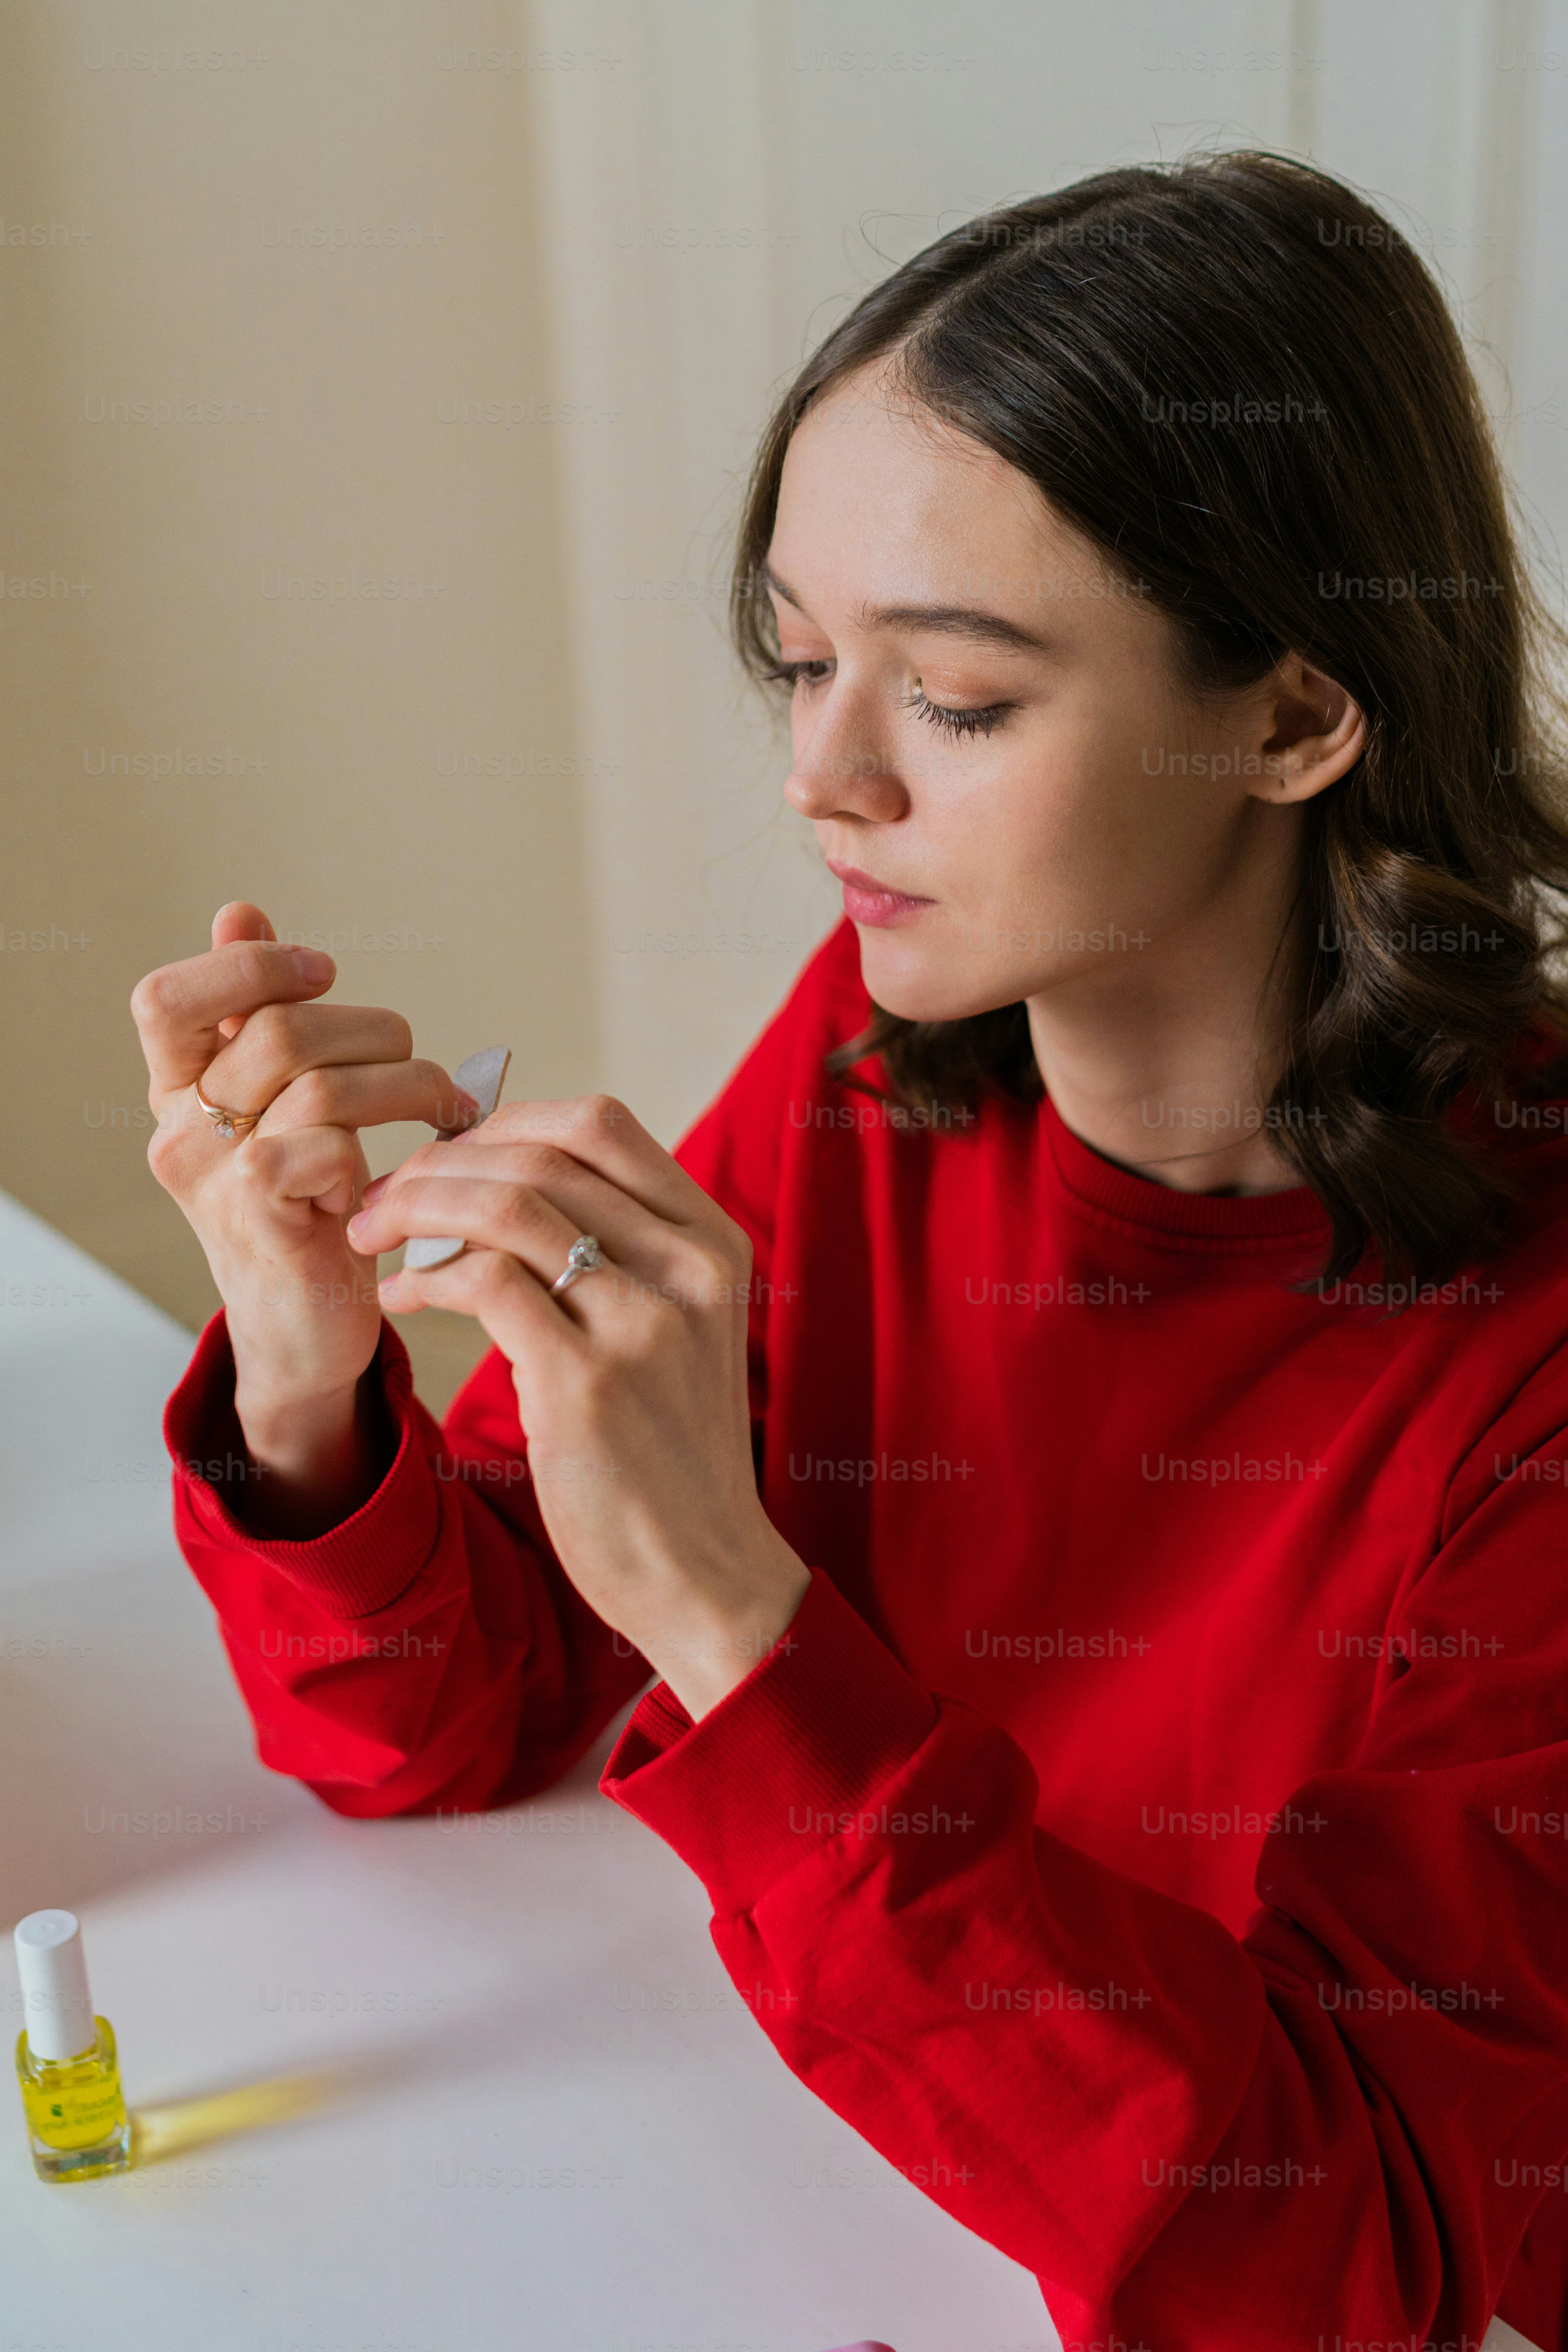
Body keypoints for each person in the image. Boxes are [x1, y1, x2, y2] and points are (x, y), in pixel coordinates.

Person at [136, 152, 1568, 2348]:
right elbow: (454, 1722)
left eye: (960, 700)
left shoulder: (1530, 1351)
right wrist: (312, 1383)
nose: (825, 779)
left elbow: (1349, 2253)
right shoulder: (886, 1055)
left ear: (1292, 713)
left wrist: (733, 1605)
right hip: (812, 2184)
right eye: (798, 662)